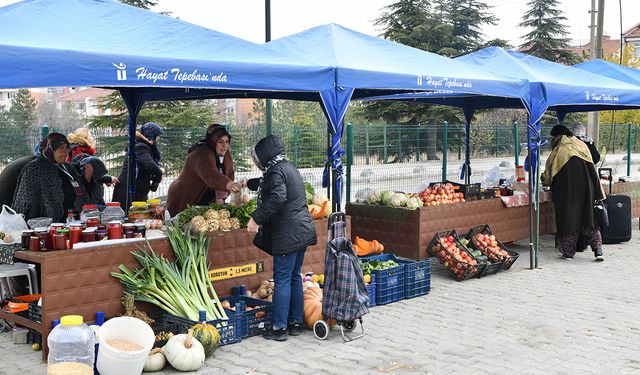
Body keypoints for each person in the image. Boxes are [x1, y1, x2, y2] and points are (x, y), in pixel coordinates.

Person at [245, 135, 317, 341]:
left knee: (283, 279)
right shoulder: (287, 167)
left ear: (266, 155)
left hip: (288, 233)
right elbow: (267, 184)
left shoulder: (275, 171)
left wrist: (256, 218)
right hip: (301, 230)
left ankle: (278, 328)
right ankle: (295, 323)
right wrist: (246, 183)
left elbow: (277, 196)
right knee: (294, 277)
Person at [541, 125, 605, 261]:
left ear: (557, 136)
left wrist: (544, 181)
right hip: (587, 188)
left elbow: (547, 175)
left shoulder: (559, 149)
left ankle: (568, 253)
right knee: (588, 218)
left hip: (566, 190)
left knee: (568, 220)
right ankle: (598, 250)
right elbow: (593, 164)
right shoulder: (581, 145)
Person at [166, 124, 241, 216]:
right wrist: (230, 184)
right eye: (220, 142)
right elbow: (211, 175)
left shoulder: (226, 153)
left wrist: (222, 197)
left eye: (227, 141)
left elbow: (229, 174)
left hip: (206, 200)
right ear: (212, 142)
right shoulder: (201, 154)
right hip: (185, 198)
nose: (224, 146)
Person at [12, 133, 88, 222]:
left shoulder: (69, 168)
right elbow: (25, 204)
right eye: (61, 148)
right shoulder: (34, 169)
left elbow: (83, 193)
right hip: (46, 227)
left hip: (74, 222)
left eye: (67, 148)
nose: (65, 152)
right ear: (50, 149)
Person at [112, 122, 163, 207]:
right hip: (128, 191)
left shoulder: (139, 145)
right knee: (133, 216)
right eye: (157, 136)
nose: (157, 140)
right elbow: (150, 166)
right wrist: (158, 177)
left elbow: (142, 169)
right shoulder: (140, 147)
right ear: (151, 136)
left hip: (135, 189)